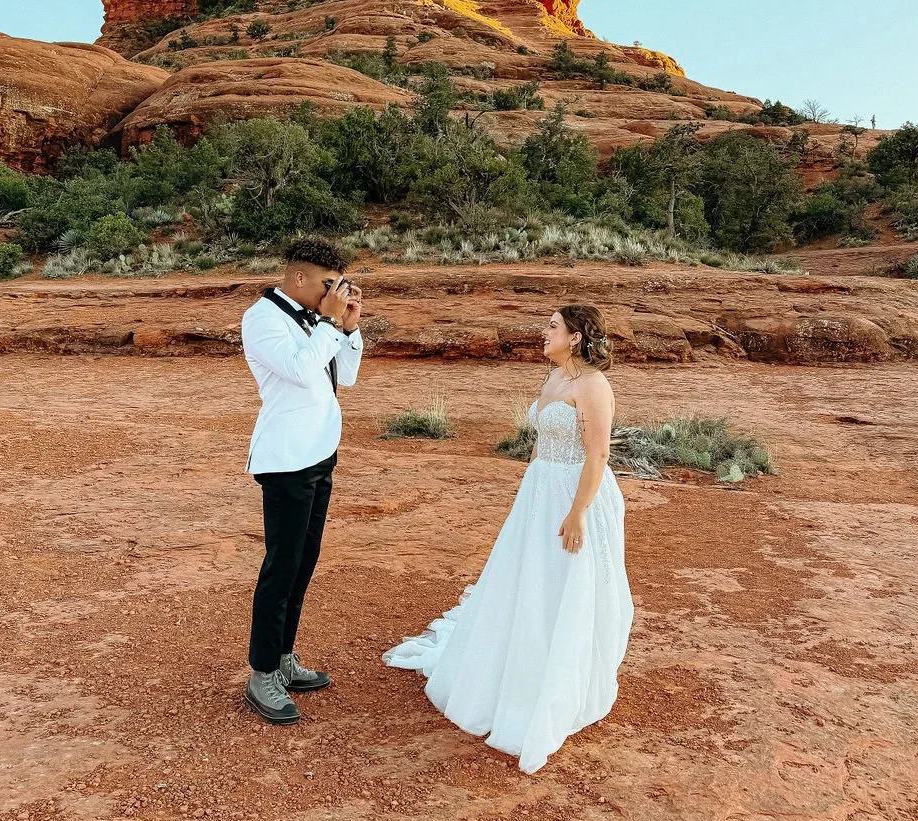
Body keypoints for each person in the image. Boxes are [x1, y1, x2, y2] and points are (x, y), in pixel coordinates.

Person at [383, 305, 633, 774]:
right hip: (541, 492)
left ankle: (556, 683)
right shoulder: (554, 379)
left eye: (553, 327)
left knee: (567, 584)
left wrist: (576, 513)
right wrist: (529, 495)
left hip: (576, 496)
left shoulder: (594, 386)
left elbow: (597, 454)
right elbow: (542, 443)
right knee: (527, 580)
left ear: (575, 337)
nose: (544, 333)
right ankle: (514, 669)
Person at [241, 237, 363, 724]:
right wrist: (330, 323)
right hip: (286, 457)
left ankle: (285, 657)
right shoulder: (262, 318)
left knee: (304, 561)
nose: (333, 291)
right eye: (327, 284)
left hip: (320, 453)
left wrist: (348, 329)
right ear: (299, 279)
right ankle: (262, 672)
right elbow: (297, 369)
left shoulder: (318, 322)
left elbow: (344, 378)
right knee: (282, 564)